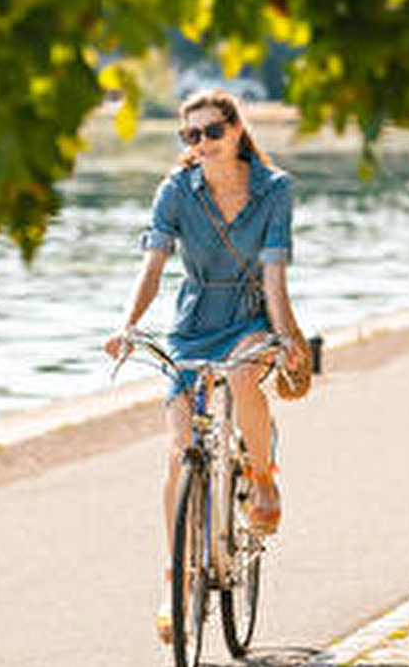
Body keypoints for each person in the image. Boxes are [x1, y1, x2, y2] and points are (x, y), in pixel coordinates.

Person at [102, 88, 312, 643]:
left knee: (243, 377)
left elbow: (274, 278)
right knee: (178, 453)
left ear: (237, 130)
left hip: (249, 318)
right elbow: (152, 267)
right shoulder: (174, 191)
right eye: (190, 136)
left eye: (212, 132)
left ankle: (263, 479)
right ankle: (177, 575)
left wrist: (287, 337)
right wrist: (126, 325)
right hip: (193, 325)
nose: (202, 144)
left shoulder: (275, 190)